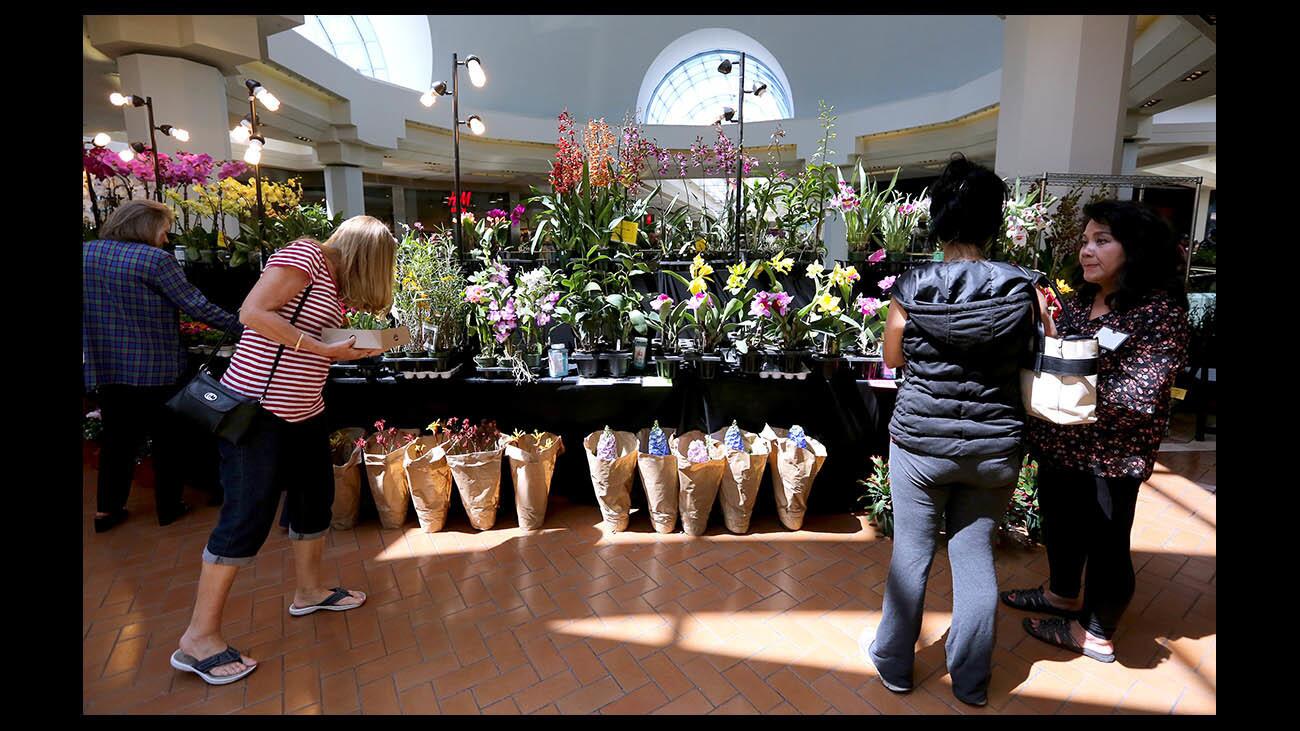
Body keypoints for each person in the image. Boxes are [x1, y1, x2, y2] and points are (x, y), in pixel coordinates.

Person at [860, 154, 1055, 707]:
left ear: (938, 221)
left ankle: (894, 662)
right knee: (974, 559)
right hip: (994, 448)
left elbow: (893, 359)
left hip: (921, 445)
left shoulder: (912, 287)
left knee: (912, 557)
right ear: (994, 222)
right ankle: (971, 681)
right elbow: (1046, 355)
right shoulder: (1028, 289)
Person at [171, 216, 395, 685]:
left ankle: (310, 591)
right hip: (259, 412)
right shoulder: (304, 256)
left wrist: (346, 346)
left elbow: (307, 338)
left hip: (304, 412)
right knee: (244, 520)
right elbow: (252, 312)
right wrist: (321, 347)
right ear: (363, 255)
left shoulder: (332, 283)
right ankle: (197, 639)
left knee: (314, 502)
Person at [1003, 200, 1189, 663]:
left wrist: (1074, 388)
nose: (1087, 251)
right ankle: (1063, 595)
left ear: (1137, 248)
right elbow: (1059, 354)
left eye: (1102, 240)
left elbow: (1143, 391)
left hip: (1113, 453)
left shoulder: (1158, 312)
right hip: (1060, 442)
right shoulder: (1083, 301)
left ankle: (1097, 633)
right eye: (1086, 241)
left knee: (1107, 543)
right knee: (1061, 526)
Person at [83, 199, 241, 532]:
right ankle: (169, 507)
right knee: (169, 439)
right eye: (164, 232)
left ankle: (106, 511)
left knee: (117, 439)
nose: (166, 240)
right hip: (156, 366)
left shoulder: (87, 254)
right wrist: (244, 326)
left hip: (108, 366)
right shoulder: (155, 260)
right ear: (144, 227)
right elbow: (195, 305)